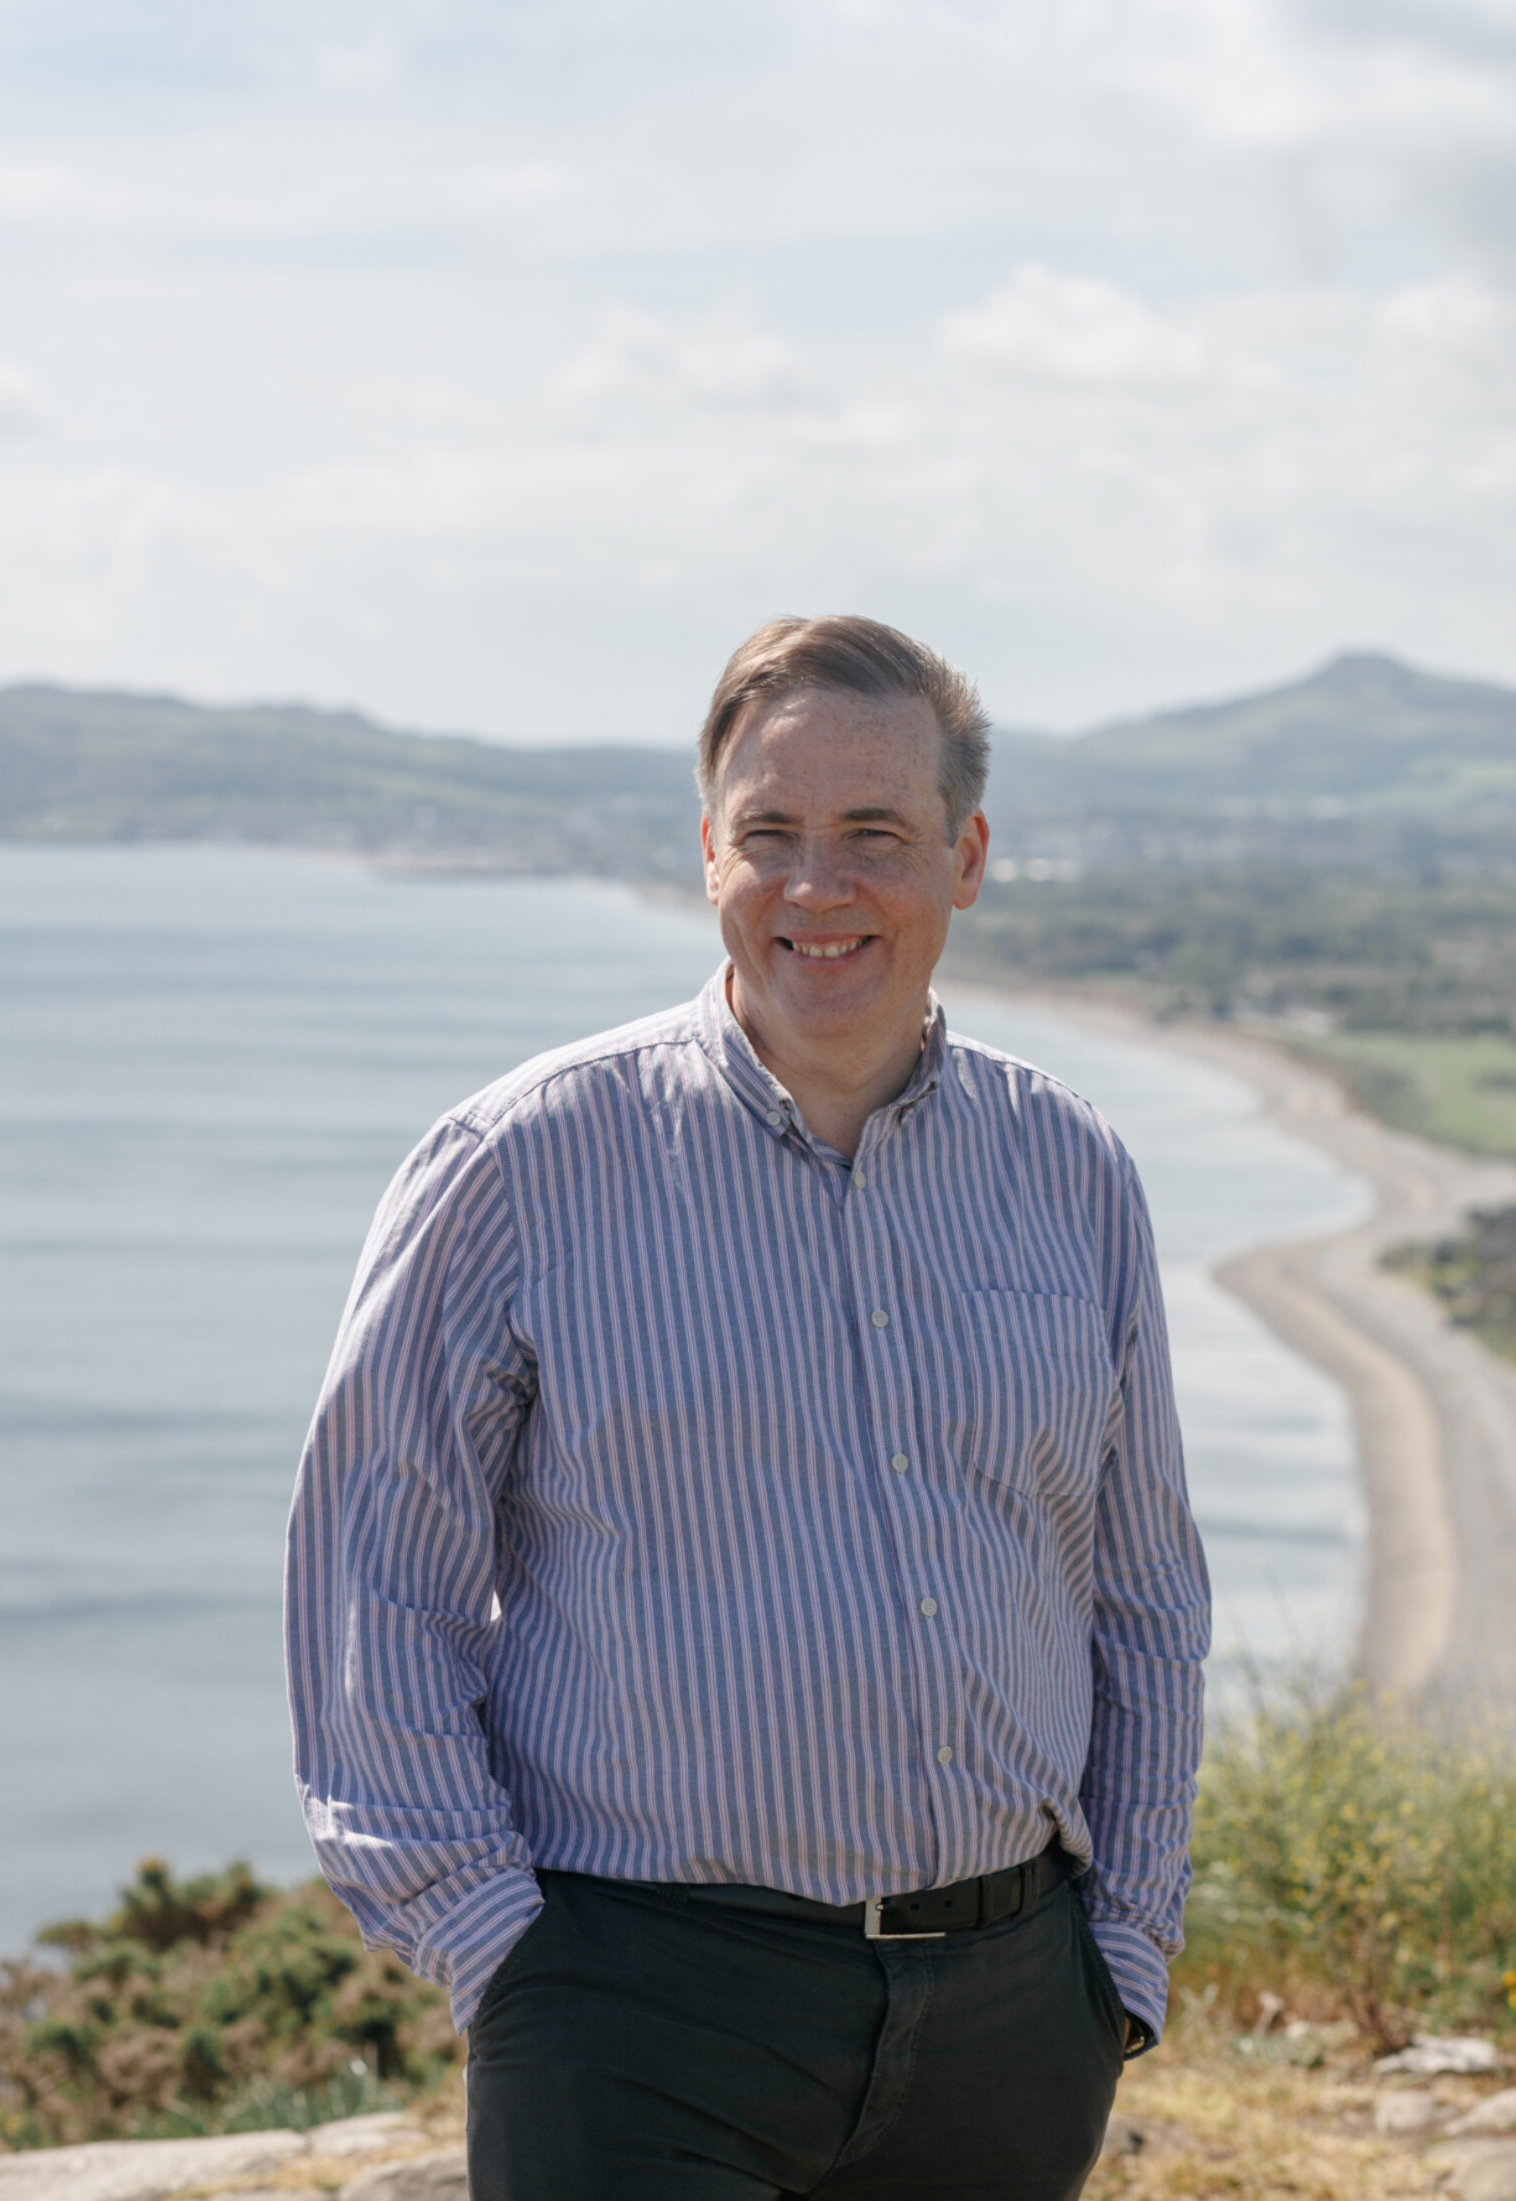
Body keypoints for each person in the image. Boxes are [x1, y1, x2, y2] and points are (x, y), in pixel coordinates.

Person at [285, 615, 1211, 2200]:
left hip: (1008, 2019)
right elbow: (374, 1584)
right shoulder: (519, 1163)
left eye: (872, 835)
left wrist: (1114, 1950)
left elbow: (1138, 1594)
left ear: (965, 854)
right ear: (707, 853)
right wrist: (498, 1950)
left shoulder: (1071, 1171)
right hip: (640, 2013)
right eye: (768, 834)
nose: (815, 885)